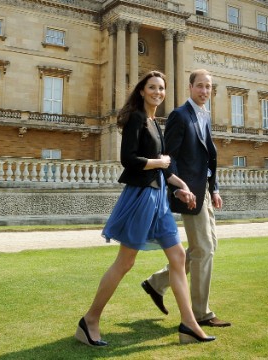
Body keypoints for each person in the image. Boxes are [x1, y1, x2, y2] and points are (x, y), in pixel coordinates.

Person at [75, 70, 216, 347]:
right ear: (142, 91)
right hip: (141, 197)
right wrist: (159, 164)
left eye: (161, 88)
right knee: (125, 262)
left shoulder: (154, 121)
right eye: (152, 87)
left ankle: (189, 324)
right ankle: (90, 320)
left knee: (177, 256)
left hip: (160, 196)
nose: (158, 92)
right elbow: (128, 159)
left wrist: (181, 186)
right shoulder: (137, 118)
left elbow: (163, 167)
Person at [142, 69, 231, 328]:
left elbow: (207, 158)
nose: (205, 91)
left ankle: (156, 283)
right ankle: (201, 313)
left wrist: (214, 188)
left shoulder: (204, 116)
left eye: (208, 87)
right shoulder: (180, 115)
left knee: (203, 248)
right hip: (189, 192)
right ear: (190, 88)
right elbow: (170, 157)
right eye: (200, 86)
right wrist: (179, 188)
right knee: (204, 250)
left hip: (204, 189)